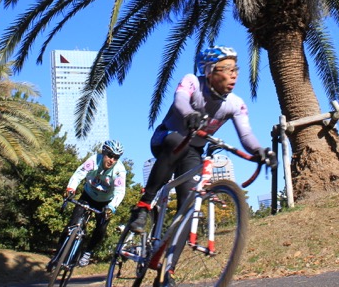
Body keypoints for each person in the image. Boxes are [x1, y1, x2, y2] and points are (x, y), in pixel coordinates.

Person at [128, 46, 276, 233]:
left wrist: (259, 151)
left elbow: (246, 135)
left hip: (193, 151)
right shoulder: (192, 82)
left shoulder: (235, 104)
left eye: (235, 69)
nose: (234, 75)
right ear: (209, 71)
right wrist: (190, 114)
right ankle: (143, 205)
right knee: (176, 143)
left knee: (188, 205)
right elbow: (180, 100)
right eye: (227, 69)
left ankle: (168, 251)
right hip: (167, 138)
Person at [47, 139, 127, 270]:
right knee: (71, 225)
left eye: (116, 158)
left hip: (105, 202)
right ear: (103, 153)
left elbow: (120, 192)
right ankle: (57, 256)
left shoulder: (119, 171)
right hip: (88, 196)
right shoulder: (94, 160)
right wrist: (70, 189)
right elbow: (79, 174)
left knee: (101, 228)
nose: (112, 160)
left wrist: (112, 207)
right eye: (110, 155)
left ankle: (88, 252)